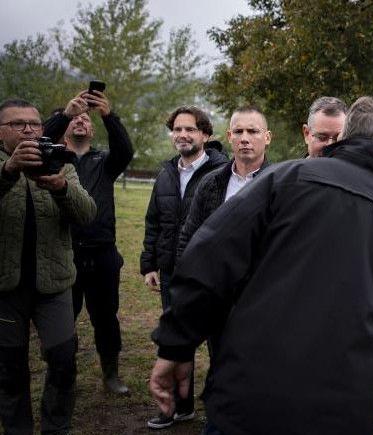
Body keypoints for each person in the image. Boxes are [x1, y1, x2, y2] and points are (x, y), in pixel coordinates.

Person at [148, 96, 373, 434]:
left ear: (346, 136)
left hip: (250, 400)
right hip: (340, 410)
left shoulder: (284, 179)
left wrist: (176, 343)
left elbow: (207, 257)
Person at [0, 98, 96, 434]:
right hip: (5, 287)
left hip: (54, 284)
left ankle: (56, 428)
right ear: (1, 132)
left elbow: (87, 213)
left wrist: (62, 188)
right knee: (9, 368)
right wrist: (9, 170)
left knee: (62, 361)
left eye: (34, 123)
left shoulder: (58, 160)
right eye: (17, 123)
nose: (28, 129)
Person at [140, 105, 228, 429]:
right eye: (177, 129)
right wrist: (149, 264)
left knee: (221, 342)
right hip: (172, 273)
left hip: (212, 275)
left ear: (205, 134)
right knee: (177, 339)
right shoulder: (166, 173)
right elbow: (154, 222)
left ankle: (223, 409)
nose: (182, 135)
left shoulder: (222, 172)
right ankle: (180, 406)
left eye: (190, 129)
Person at [46, 89, 134, 395]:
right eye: (76, 119)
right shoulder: (52, 160)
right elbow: (39, 138)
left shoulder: (105, 162)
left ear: (92, 129)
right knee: (61, 321)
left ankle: (111, 373)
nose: (81, 122)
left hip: (102, 253)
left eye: (86, 119)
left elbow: (125, 150)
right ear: (67, 127)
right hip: (63, 252)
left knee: (106, 318)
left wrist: (109, 115)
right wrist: (65, 114)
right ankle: (61, 376)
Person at [177, 105, 271, 260]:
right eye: (238, 132)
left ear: (267, 137)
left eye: (253, 131)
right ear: (229, 136)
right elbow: (189, 237)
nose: (245, 139)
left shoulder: (279, 185)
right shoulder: (210, 183)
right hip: (213, 279)